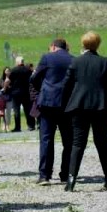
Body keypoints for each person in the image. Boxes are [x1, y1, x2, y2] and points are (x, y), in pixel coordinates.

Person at [61, 31, 107, 192]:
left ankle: (71, 181)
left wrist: (69, 102)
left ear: (83, 44)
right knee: (102, 142)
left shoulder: (75, 62)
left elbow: (66, 85)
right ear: (98, 44)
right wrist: (104, 95)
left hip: (79, 107)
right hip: (100, 107)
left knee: (78, 144)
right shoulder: (105, 61)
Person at [31, 38, 74, 185]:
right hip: (67, 104)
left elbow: (34, 78)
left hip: (48, 102)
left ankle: (45, 175)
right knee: (68, 141)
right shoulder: (73, 59)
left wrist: (42, 89)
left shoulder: (47, 57)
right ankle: (65, 174)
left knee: (46, 139)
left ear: (53, 47)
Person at [8, 57, 34, 132]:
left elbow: (8, 80)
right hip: (26, 92)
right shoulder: (28, 70)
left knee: (16, 110)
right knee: (28, 109)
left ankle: (18, 127)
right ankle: (31, 126)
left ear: (17, 62)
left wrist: (8, 86)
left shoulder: (14, 70)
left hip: (16, 93)